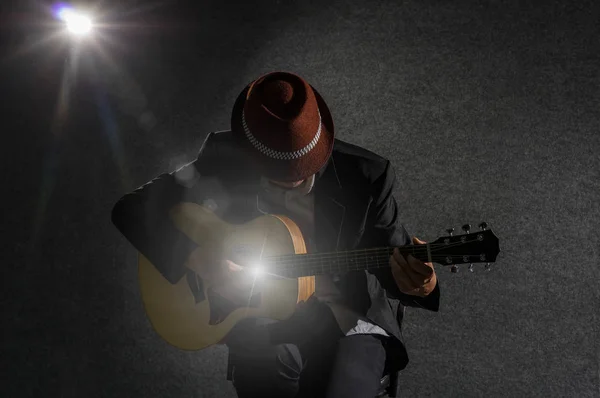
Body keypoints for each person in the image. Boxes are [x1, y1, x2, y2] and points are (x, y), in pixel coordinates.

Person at [111, 71, 440, 398]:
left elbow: (393, 259)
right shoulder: (224, 156)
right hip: (264, 318)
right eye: (277, 170)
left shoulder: (367, 176)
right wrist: (199, 258)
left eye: (301, 166)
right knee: (264, 375)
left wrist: (421, 285)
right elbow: (133, 208)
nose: (292, 179)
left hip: (350, 320)